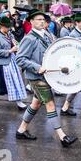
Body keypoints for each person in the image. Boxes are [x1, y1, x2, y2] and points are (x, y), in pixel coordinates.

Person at [15, 9, 77, 147]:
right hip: (36, 77)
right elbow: (19, 59)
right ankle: (62, 137)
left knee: (36, 104)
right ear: (31, 22)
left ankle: (21, 130)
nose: (42, 21)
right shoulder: (29, 38)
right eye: (38, 19)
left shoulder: (48, 35)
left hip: (47, 76)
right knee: (50, 104)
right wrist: (37, 67)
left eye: (43, 19)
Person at [0, 17, 28, 111]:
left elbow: (14, 43)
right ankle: (19, 102)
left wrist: (17, 45)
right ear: (1, 26)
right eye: (7, 27)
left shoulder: (9, 34)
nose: (8, 29)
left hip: (11, 61)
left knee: (0, 82)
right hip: (3, 63)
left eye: (9, 27)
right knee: (11, 82)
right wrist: (10, 50)